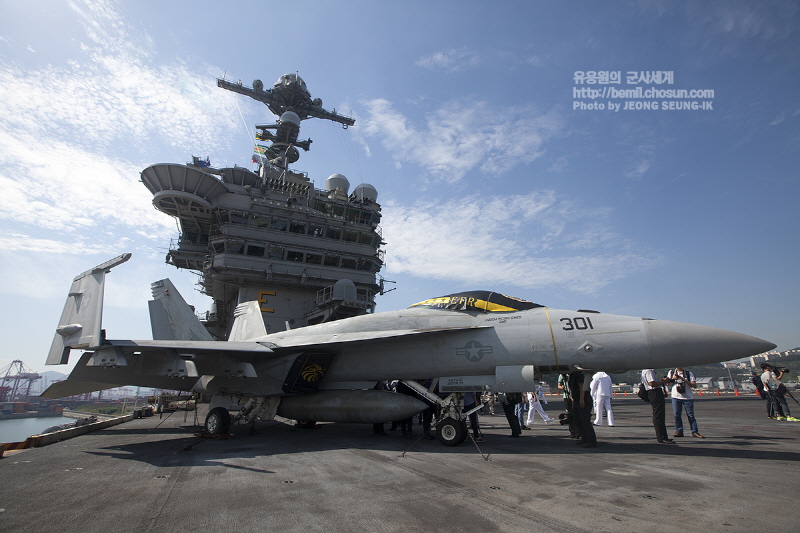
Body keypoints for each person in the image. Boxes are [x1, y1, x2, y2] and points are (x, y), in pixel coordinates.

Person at [667, 367, 703, 438]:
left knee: (690, 415)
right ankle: (679, 430)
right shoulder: (671, 372)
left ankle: (694, 431)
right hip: (676, 396)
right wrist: (673, 379)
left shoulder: (688, 373)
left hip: (687, 397)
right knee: (677, 415)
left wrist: (684, 380)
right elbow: (668, 384)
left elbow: (694, 385)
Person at [641, 368, 675, 443]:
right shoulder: (649, 370)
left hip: (651, 392)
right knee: (659, 415)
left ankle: (662, 436)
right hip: (654, 392)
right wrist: (663, 381)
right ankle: (662, 437)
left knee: (658, 414)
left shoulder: (644, 370)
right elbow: (652, 383)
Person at [568, 370, 596, 448]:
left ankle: (591, 441)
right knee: (578, 420)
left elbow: (582, 387)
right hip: (576, 400)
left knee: (585, 420)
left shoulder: (578, 375)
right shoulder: (571, 375)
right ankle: (584, 438)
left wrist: (582, 399)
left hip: (583, 400)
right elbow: (571, 389)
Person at [558, 373, 579, 439]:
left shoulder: (573, 374)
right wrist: (562, 387)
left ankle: (578, 431)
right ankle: (572, 431)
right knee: (569, 414)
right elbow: (559, 385)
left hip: (573, 396)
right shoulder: (562, 375)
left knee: (575, 413)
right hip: (566, 396)